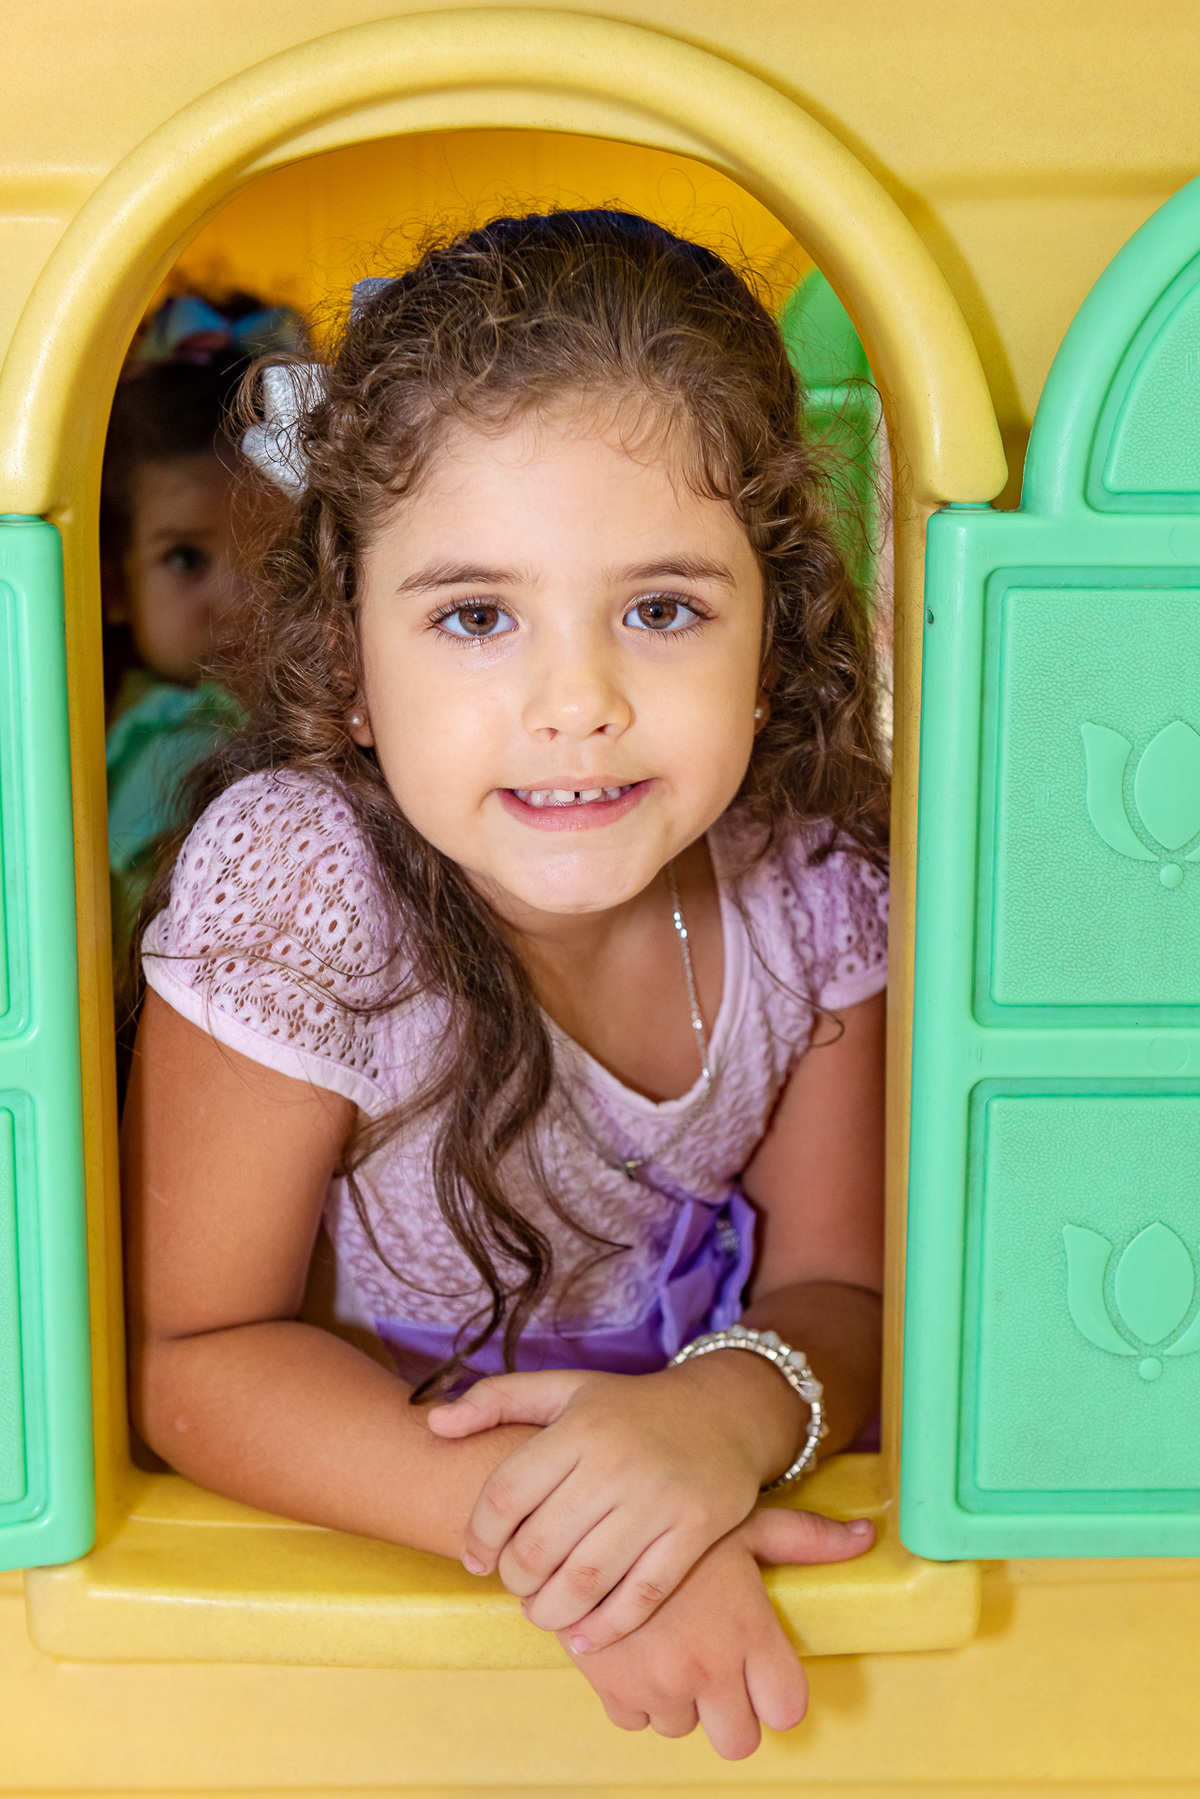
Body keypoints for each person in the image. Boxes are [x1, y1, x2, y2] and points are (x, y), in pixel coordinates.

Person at [122, 213, 889, 1761]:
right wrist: (577, 1547)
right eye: (477, 615)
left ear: (773, 633)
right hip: (361, 1600)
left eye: (662, 608)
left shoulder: (810, 891)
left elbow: (850, 1292)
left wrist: (724, 1415)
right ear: (348, 655)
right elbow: (190, 1359)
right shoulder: (304, 887)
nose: (578, 704)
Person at [101, 293, 305, 965]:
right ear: (114, 584)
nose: (241, 598)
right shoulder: (169, 743)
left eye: (275, 556)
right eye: (186, 558)